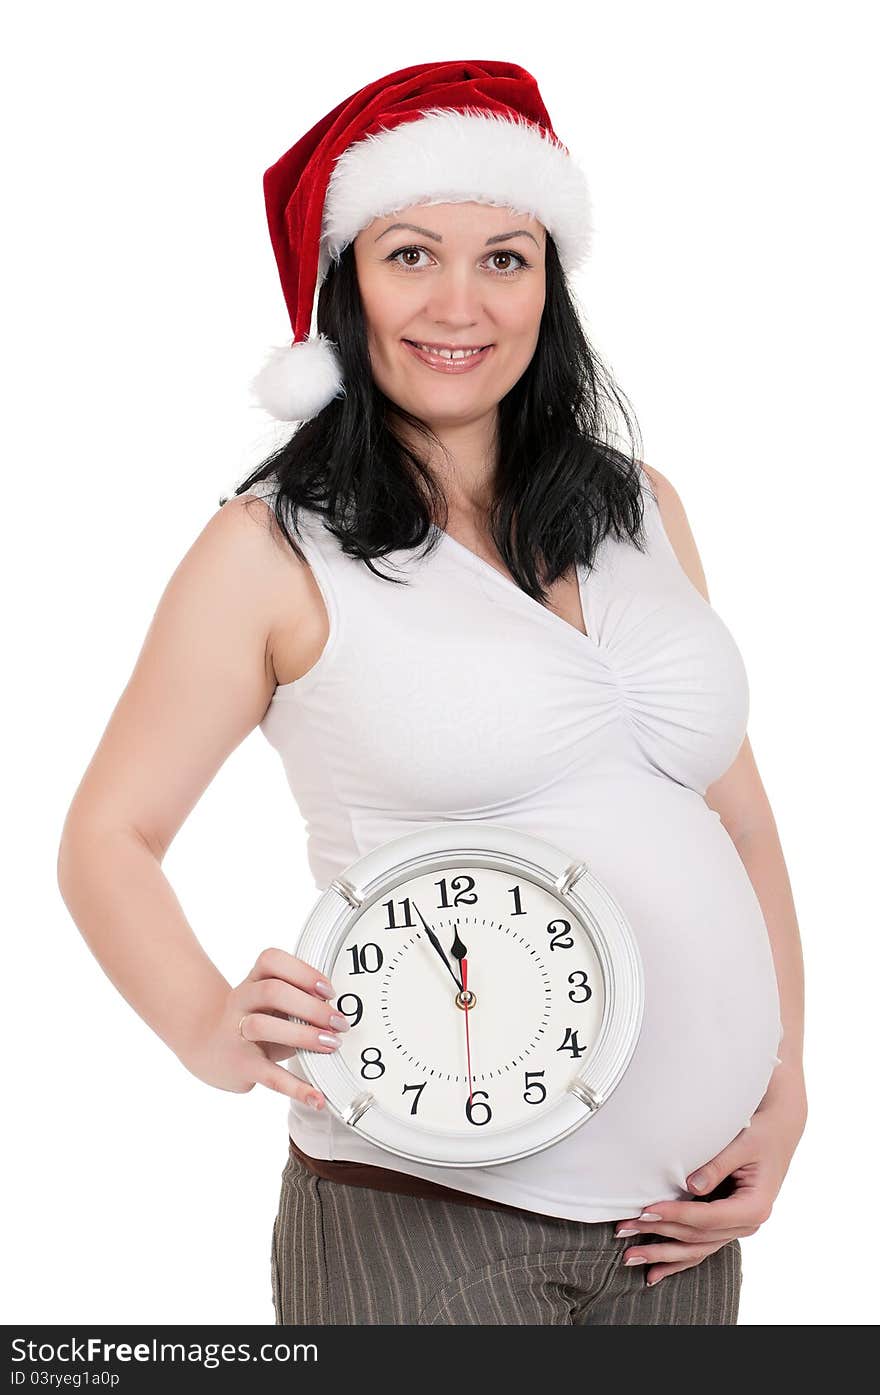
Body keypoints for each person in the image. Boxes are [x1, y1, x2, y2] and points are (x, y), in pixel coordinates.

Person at [57, 59, 807, 1326]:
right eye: (410, 254)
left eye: (504, 258)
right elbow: (106, 839)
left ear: (548, 283)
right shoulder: (269, 551)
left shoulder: (640, 505)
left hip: (680, 1226)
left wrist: (784, 1089)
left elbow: (736, 821)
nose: (460, 303)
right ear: (344, 285)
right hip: (425, 1226)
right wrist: (204, 1026)